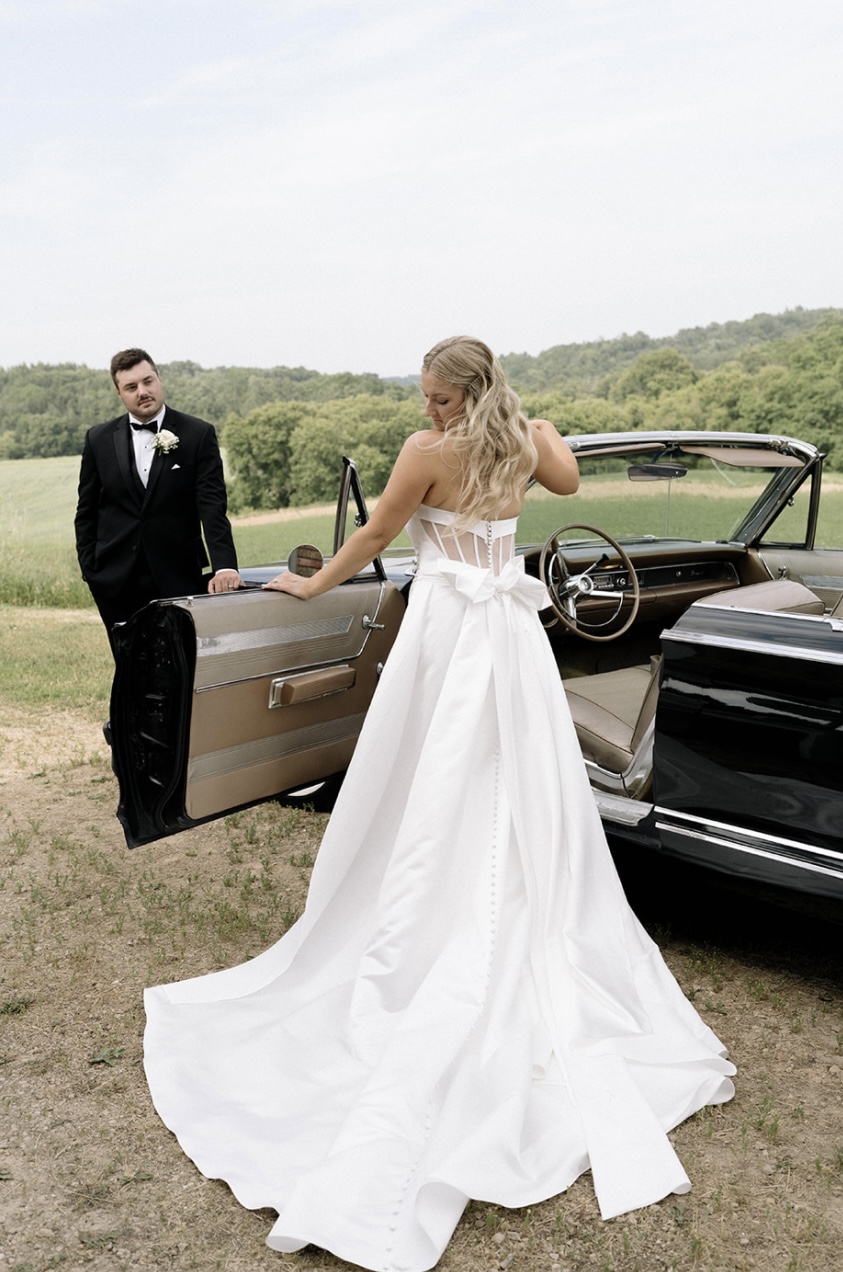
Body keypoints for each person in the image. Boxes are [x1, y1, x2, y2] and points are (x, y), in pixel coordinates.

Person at [143, 337, 735, 1272]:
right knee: (520, 779)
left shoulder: (428, 456)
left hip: (451, 637)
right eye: (422, 399)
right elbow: (572, 484)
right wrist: (533, 422)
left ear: (464, 393)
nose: (426, 412)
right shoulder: (527, 440)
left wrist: (308, 582)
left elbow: (378, 537)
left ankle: (436, 922)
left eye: (436, 398)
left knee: (434, 776)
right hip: (509, 634)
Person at [74, 348, 240, 651]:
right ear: (119, 393)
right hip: (115, 579)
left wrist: (224, 566)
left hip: (178, 574)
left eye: (147, 381)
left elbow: (212, 506)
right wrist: (90, 568)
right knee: (127, 668)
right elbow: (86, 511)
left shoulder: (198, 434)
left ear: (159, 378)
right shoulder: (98, 439)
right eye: (131, 387)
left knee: (180, 666)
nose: (143, 391)